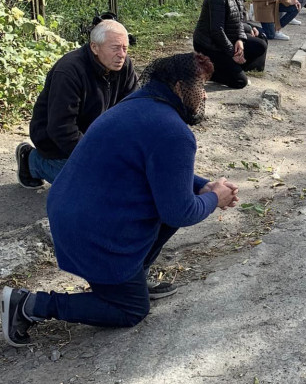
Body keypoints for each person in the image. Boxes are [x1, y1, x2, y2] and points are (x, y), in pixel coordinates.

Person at [2, 53, 240, 347]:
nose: (203, 95)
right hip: (92, 231)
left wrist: (205, 186)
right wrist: (215, 197)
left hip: (74, 213)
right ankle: (28, 305)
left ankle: (133, 276)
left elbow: (159, 171)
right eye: (200, 86)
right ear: (179, 87)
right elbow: (180, 212)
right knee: (131, 310)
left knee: (177, 197)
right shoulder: (173, 131)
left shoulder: (139, 104)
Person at [16, 19, 138, 190]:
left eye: (125, 48)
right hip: (57, 143)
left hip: (97, 136)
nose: (122, 54)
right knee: (93, 185)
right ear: (95, 47)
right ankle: (32, 161)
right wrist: (96, 157)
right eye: (115, 47)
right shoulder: (69, 72)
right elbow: (61, 128)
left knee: (133, 174)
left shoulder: (124, 66)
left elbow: (134, 110)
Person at [193, 0, 268, 89]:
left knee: (260, 45)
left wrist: (240, 40)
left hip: (225, 39)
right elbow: (217, 31)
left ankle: (231, 67)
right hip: (208, 45)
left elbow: (239, 21)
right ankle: (205, 70)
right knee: (240, 82)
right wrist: (232, 53)